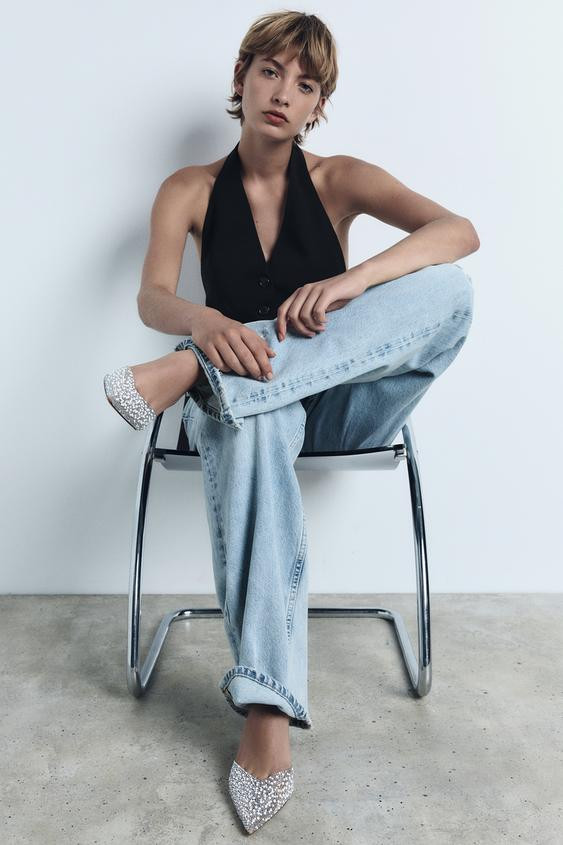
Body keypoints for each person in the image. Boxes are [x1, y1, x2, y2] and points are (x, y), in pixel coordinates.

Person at [103, 10, 479, 834]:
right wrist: (204, 324)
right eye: (270, 72)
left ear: (317, 105)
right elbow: (152, 296)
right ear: (240, 79)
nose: (283, 93)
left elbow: (458, 232)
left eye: (305, 84)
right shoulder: (189, 188)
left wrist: (354, 282)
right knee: (258, 415)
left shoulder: (341, 180)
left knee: (449, 291)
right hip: (244, 412)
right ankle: (267, 710)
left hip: (339, 407)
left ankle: (184, 373)